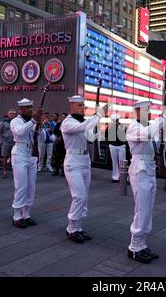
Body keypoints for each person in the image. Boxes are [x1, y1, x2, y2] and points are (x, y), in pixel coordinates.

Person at [126, 100, 166, 263]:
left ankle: (141, 243)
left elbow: (156, 140)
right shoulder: (134, 127)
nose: (149, 112)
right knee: (142, 208)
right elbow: (147, 133)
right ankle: (133, 247)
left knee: (148, 208)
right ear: (137, 111)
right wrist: (164, 117)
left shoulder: (148, 127)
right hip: (140, 169)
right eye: (146, 109)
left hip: (149, 168)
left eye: (149, 109)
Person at [61, 96, 108, 243]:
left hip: (84, 161)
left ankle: (78, 226)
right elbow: (83, 128)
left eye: (83, 105)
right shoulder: (68, 122)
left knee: (84, 197)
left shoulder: (82, 122)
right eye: (80, 105)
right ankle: (71, 228)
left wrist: (98, 131)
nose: (83, 108)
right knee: (79, 196)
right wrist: (99, 114)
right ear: (72, 106)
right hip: (73, 162)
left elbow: (90, 137)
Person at [10, 98, 45, 228]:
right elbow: (20, 132)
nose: (31, 109)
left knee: (31, 187)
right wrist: (33, 121)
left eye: (32, 107)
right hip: (20, 153)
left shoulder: (34, 121)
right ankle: (17, 215)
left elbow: (44, 138)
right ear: (22, 109)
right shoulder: (16, 121)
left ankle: (27, 214)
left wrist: (40, 127)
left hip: (32, 154)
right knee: (21, 186)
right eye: (28, 108)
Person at [105, 114, 127, 183]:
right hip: (115, 145)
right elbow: (106, 136)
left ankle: (122, 177)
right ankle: (116, 177)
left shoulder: (122, 126)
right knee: (116, 162)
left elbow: (125, 135)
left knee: (122, 162)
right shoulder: (110, 127)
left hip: (120, 145)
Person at [0, 109, 16, 178]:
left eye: (13, 113)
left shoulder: (17, 122)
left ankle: (14, 172)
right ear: (8, 114)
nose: (12, 115)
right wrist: (2, 141)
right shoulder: (3, 122)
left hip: (15, 142)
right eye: (10, 113)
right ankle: (4, 171)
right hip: (6, 142)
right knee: (5, 157)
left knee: (14, 158)